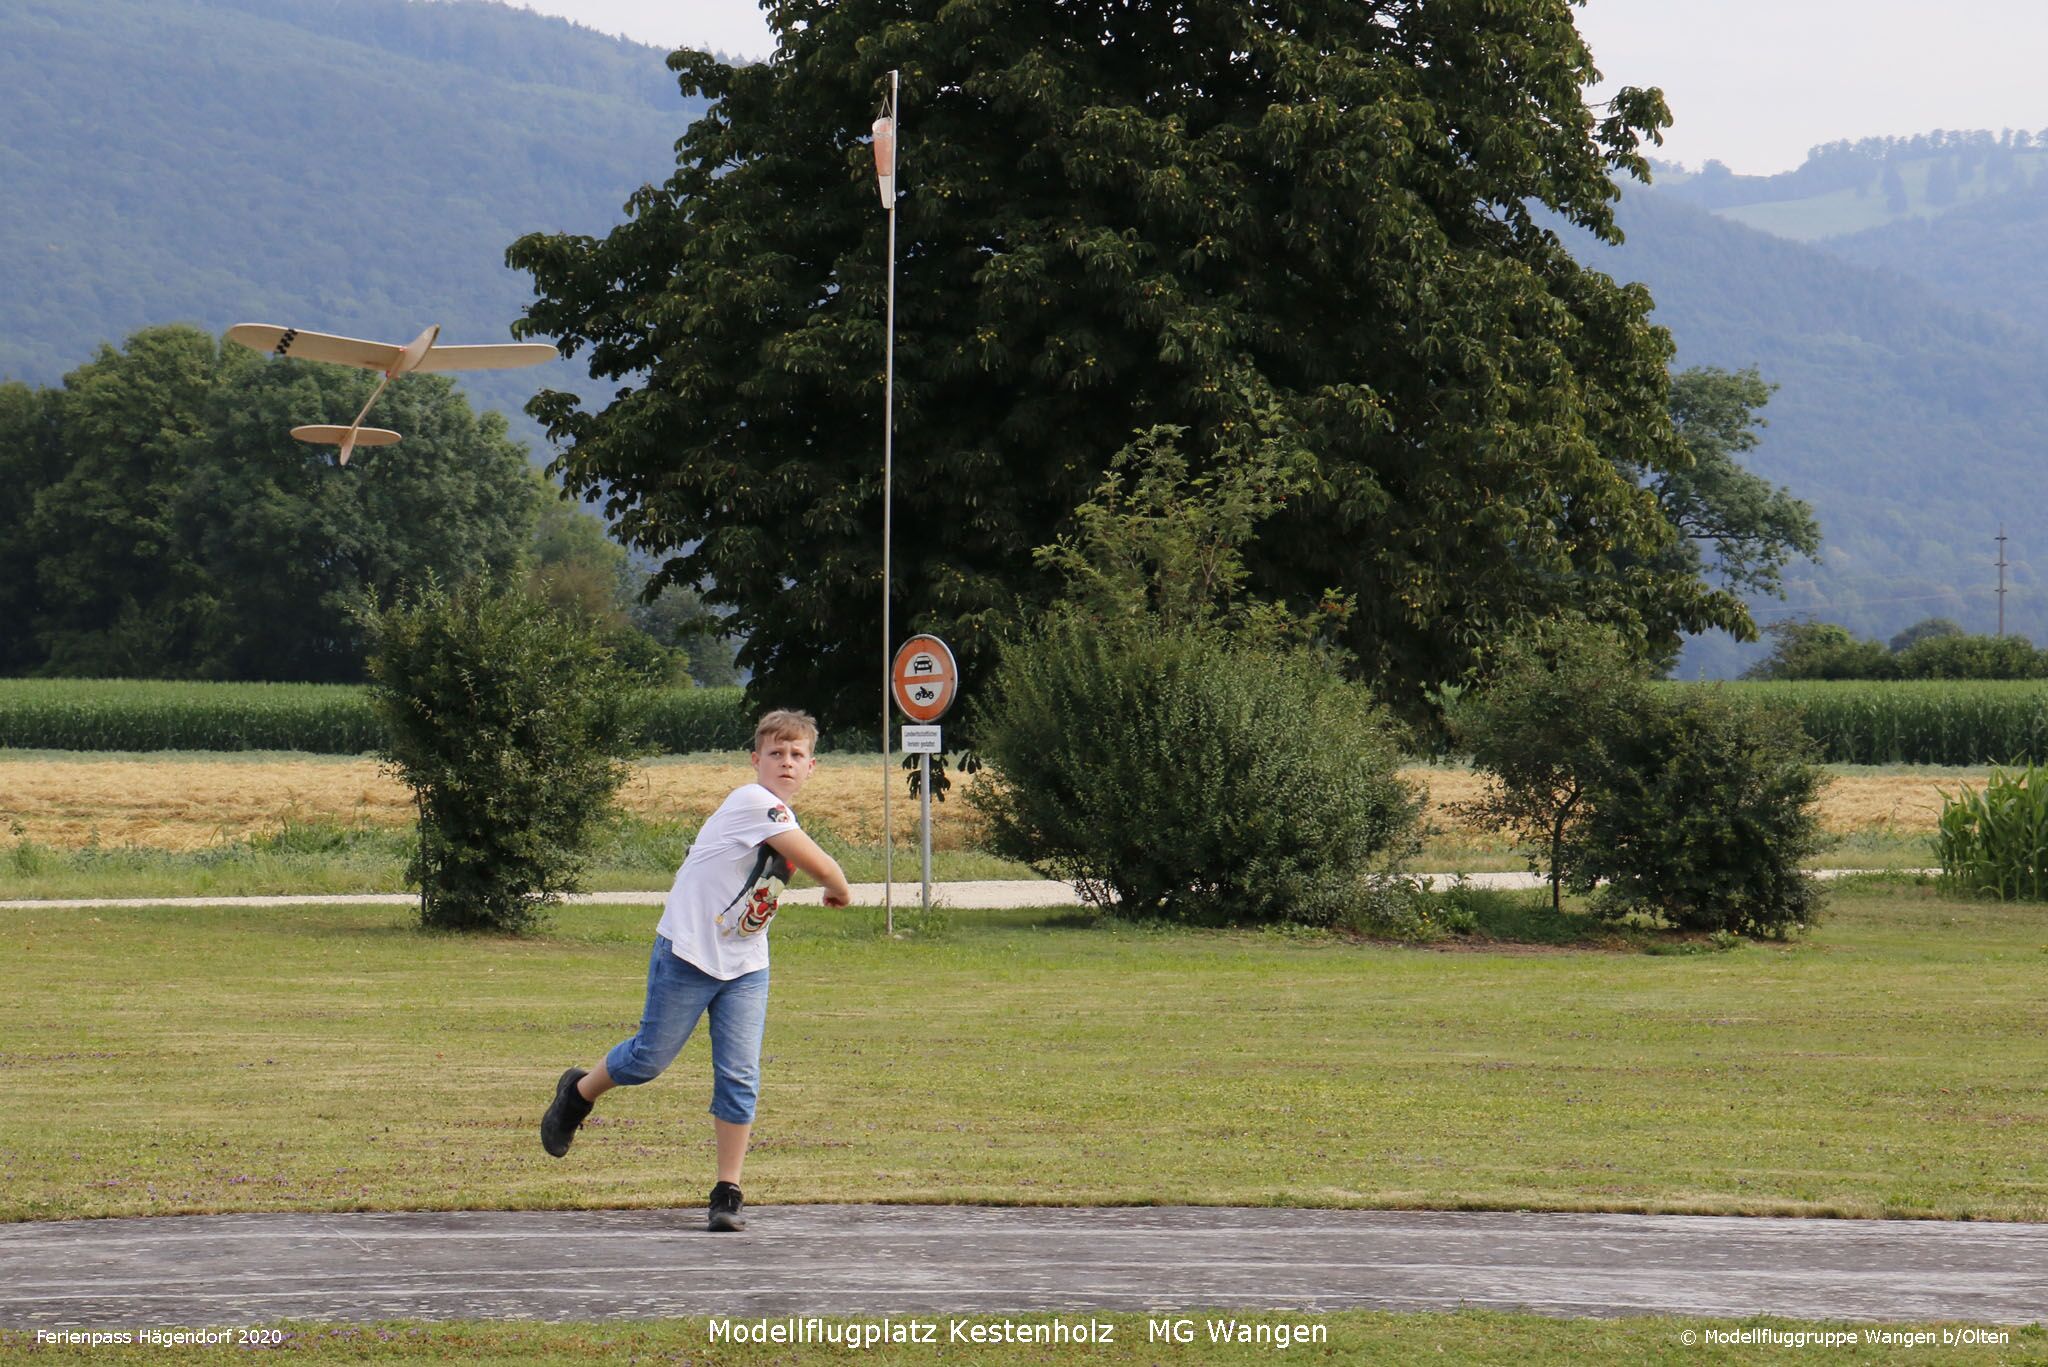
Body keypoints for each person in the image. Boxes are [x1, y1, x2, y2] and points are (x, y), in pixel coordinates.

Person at [540, 708, 853, 1232]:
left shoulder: (783, 818)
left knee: (740, 1075)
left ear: (811, 767)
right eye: (775, 752)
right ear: (755, 760)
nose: (786, 762)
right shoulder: (753, 802)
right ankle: (577, 1093)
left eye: (797, 754)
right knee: (647, 1060)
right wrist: (839, 888)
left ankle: (727, 1192)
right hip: (688, 954)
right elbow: (825, 866)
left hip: (745, 965)